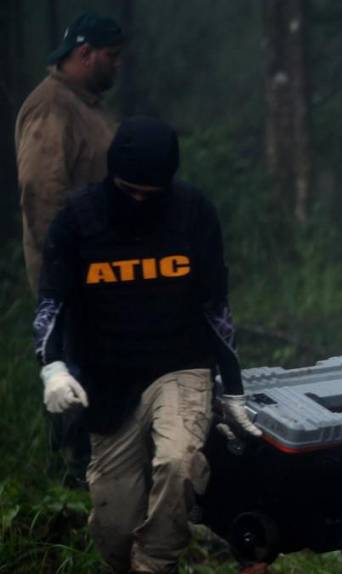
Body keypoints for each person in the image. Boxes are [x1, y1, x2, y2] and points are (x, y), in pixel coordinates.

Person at [33, 117, 262, 574]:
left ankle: (156, 562)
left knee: (178, 462)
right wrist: (53, 365)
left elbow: (215, 306)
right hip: (108, 378)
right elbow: (51, 302)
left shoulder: (194, 213)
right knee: (114, 524)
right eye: (128, 190)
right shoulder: (78, 220)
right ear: (113, 178)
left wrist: (232, 387)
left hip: (180, 365)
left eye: (149, 194)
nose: (138, 201)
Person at [15, 11, 124, 485]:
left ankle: (104, 477)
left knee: (102, 380)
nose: (117, 66)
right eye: (111, 57)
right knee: (70, 382)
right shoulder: (51, 108)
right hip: (73, 280)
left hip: (103, 279)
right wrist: (69, 275)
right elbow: (43, 198)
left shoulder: (87, 105)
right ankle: (72, 488)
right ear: (85, 54)